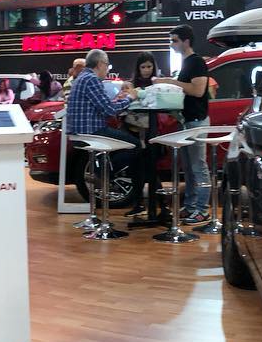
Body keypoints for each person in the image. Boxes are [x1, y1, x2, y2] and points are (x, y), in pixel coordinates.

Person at [153, 25, 212, 223]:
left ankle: (202, 209)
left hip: (196, 121)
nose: (172, 44)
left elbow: (198, 91)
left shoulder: (196, 62)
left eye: (175, 40)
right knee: (188, 168)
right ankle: (191, 206)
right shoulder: (188, 63)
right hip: (188, 120)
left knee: (198, 166)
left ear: (186, 41)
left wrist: (171, 82)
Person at [66, 49, 138, 196]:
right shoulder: (91, 79)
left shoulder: (82, 77)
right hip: (92, 132)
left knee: (123, 140)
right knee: (136, 145)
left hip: (81, 132)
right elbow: (109, 110)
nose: (107, 69)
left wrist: (119, 100)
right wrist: (130, 98)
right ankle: (103, 174)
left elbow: (103, 105)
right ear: (100, 64)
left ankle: (102, 171)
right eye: (107, 65)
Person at [123, 52, 162, 217]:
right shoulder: (130, 85)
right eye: (143, 67)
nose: (146, 70)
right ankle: (138, 204)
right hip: (133, 131)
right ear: (138, 68)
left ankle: (159, 206)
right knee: (135, 169)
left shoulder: (158, 84)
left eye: (149, 66)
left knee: (152, 169)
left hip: (151, 131)